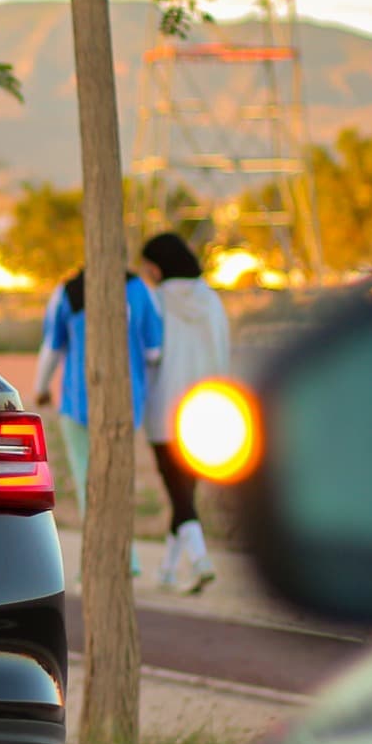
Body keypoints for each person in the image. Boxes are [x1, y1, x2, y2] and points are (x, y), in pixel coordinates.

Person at [34, 265, 165, 575]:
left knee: (86, 480)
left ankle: (94, 562)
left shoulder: (69, 291)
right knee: (119, 478)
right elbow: (154, 351)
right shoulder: (137, 290)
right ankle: (126, 559)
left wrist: (40, 388)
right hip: (125, 403)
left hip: (78, 401)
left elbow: (52, 347)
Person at [138, 232, 233, 592]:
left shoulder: (157, 301)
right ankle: (166, 570)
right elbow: (223, 349)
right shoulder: (211, 301)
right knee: (185, 489)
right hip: (207, 407)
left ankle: (200, 559)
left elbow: (151, 352)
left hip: (166, 407)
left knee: (177, 490)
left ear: (159, 266)